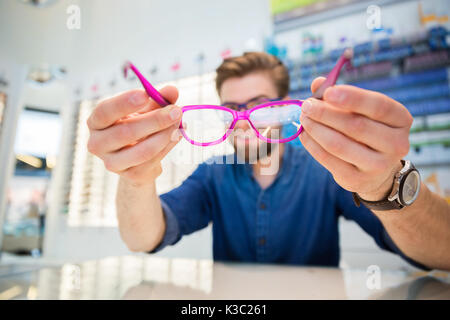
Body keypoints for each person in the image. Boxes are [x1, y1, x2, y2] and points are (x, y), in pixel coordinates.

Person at [87, 52, 450, 271]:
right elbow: (144, 238)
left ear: (281, 109)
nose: (243, 121)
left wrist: (386, 184)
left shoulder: (328, 173)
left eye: (258, 107)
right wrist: (135, 177)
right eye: (231, 111)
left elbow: (439, 254)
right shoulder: (212, 177)